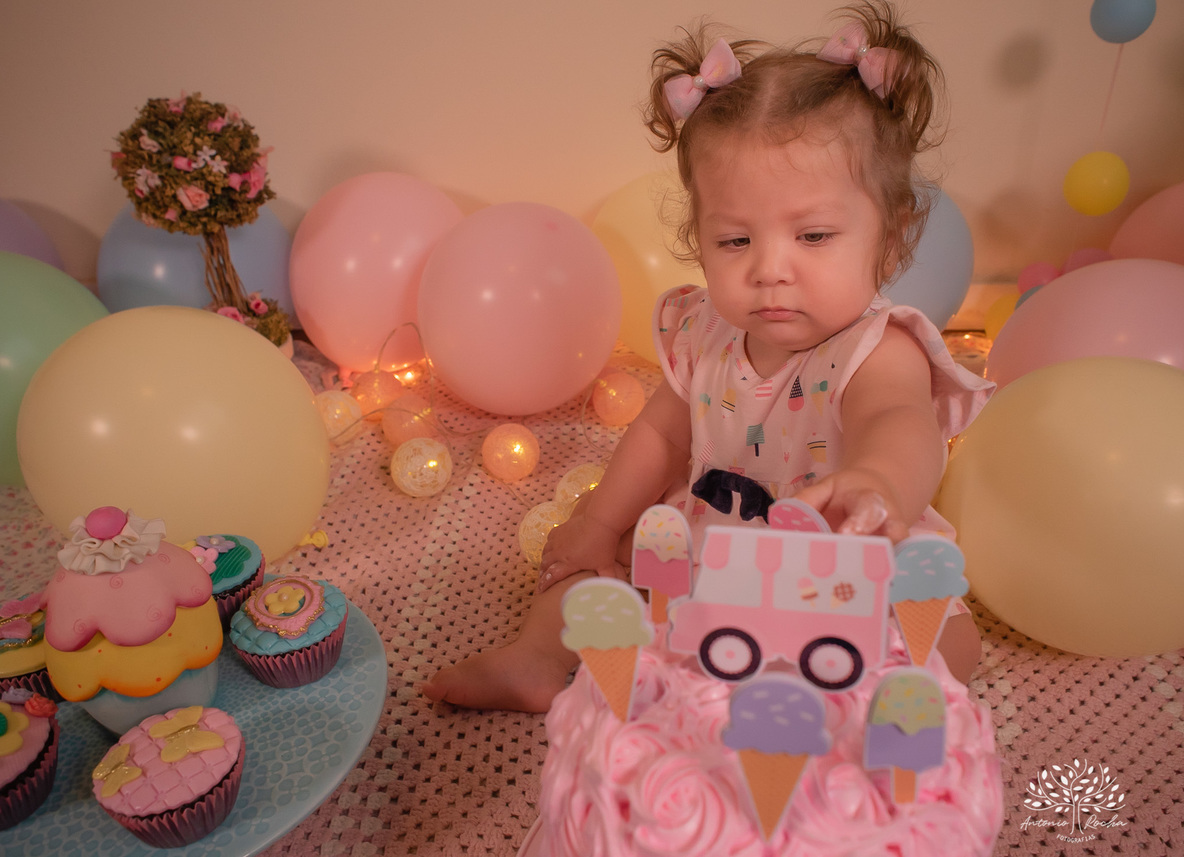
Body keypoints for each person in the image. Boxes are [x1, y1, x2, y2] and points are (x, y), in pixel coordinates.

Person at [423, 0, 994, 712]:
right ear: (700, 236)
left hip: (841, 564)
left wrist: (877, 483)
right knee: (585, 575)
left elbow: (900, 426)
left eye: (813, 237)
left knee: (945, 642)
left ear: (891, 234)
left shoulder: (879, 348)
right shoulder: (704, 329)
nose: (770, 269)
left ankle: (838, 704)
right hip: (706, 543)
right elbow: (662, 434)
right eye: (735, 241)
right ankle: (537, 660)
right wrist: (599, 524)